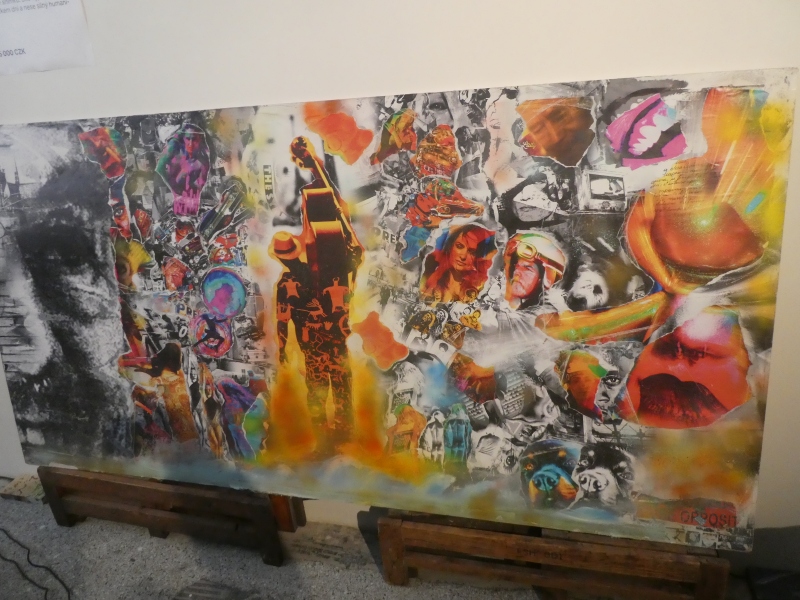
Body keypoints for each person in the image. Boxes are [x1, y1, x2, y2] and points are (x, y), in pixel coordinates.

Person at [420, 224, 496, 303]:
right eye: (459, 246)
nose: (463, 256)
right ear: (451, 246)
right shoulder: (432, 266)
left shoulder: (480, 277)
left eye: (472, 252)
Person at [503, 231, 566, 310]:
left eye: (527, 268)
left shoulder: (546, 313)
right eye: (517, 266)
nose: (517, 273)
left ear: (542, 280)